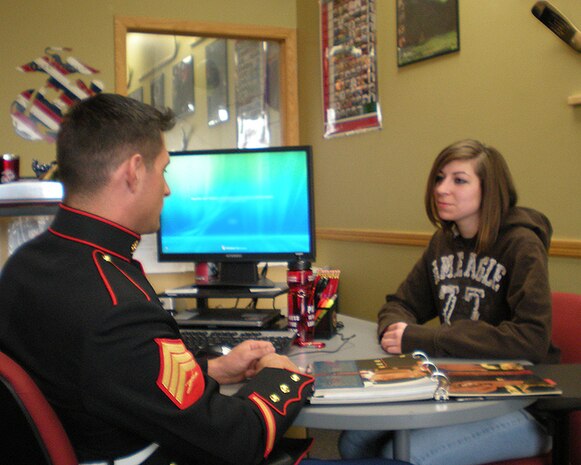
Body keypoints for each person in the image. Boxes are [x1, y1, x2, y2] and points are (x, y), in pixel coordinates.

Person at [0, 93, 316, 465]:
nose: (166, 189)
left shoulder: (25, 265)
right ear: (133, 171)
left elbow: (117, 380)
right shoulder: (115, 305)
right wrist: (282, 376)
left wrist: (212, 368)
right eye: (163, 170)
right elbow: (235, 441)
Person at [339, 139, 559, 465]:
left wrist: (427, 338)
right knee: (353, 442)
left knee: (396, 457)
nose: (442, 189)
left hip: (521, 404)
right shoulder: (444, 241)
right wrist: (394, 328)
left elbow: (532, 339)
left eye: (459, 180)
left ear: (490, 189)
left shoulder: (522, 243)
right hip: (455, 386)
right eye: (439, 178)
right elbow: (400, 302)